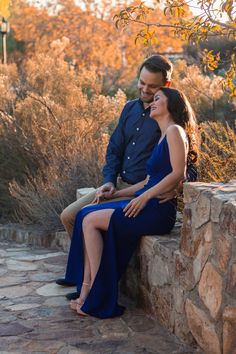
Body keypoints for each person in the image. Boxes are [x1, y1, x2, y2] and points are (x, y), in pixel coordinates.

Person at [56, 54, 196, 295]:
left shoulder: (168, 115)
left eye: (152, 86)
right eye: (142, 82)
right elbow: (114, 149)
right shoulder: (129, 109)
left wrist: (177, 187)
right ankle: (81, 275)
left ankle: (90, 287)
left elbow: (188, 166)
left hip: (144, 193)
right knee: (69, 215)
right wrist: (109, 181)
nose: (145, 89)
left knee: (91, 219)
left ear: (166, 86)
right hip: (121, 185)